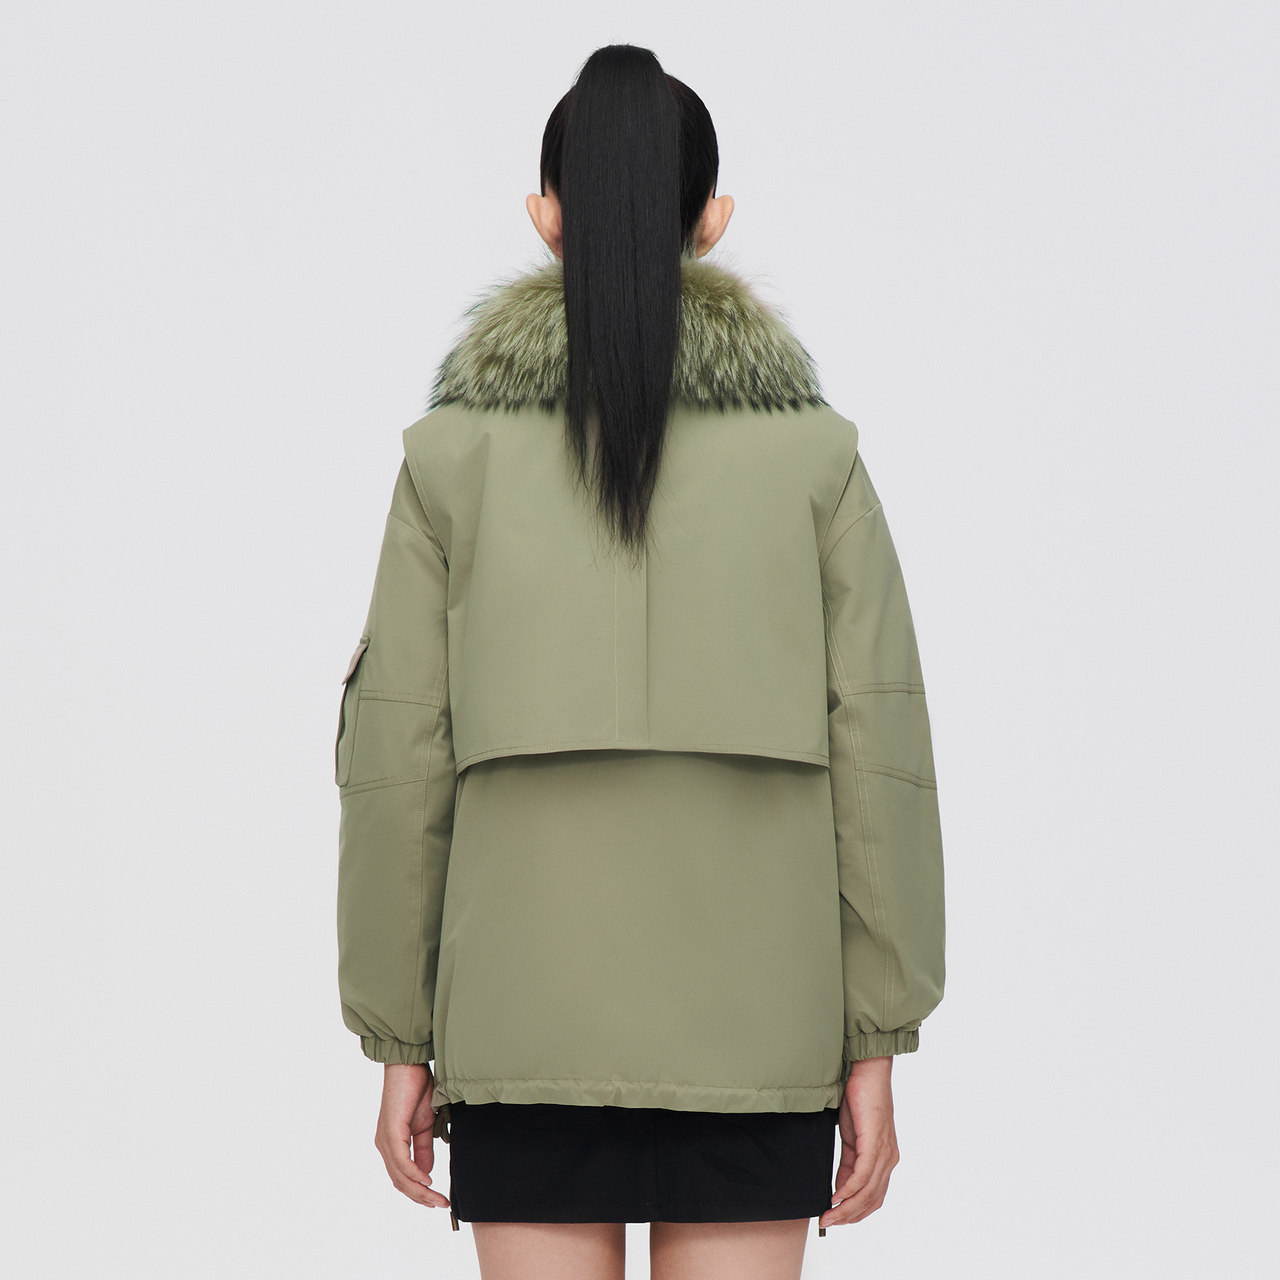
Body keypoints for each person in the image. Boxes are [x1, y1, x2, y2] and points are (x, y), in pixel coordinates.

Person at [334, 42, 946, 1280]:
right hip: (758, 1029)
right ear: (712, 220)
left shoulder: (449, 460)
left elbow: (399, 761)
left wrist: (398, 1036)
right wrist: (876, 1038)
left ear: (545, 217)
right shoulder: (816, 460)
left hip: (522, 1021)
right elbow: (876, 754)